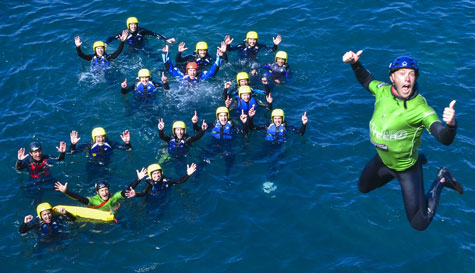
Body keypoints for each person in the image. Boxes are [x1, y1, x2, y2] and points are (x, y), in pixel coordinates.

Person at [342, 50, 462, 230]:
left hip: (406, 168)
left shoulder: (421, 109)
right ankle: (416, 161)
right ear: (392, 77)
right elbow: (367, 80)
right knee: (363, 187)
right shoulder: (383, 91)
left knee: (419, 223)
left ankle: (442, 179)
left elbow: (443, 137)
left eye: (411, 74)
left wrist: (451, 125)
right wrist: (355, 64)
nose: (407, 78)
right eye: (402, 73)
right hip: (383, 160)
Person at [54, 168, 145, 214]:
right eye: (102, 191)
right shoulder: (94, 200)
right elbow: (80, 198)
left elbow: (127, 190)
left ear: (109, 190)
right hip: (98, 217)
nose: (104, 193)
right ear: (97, 192)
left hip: (114, 215)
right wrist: (66, 192)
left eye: (106, 190)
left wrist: (138, 179)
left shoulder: (114, 197)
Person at [105, 17, 175, 48]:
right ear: (128, 25)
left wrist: (166, 39)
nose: (134, 26)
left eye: (135, 24)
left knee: (151, 55)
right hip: (130, 47)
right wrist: (107, 42)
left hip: (142, 45)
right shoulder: (125, 33)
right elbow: (112, 37)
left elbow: (154, 34)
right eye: (132, 24)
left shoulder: (141, 31)